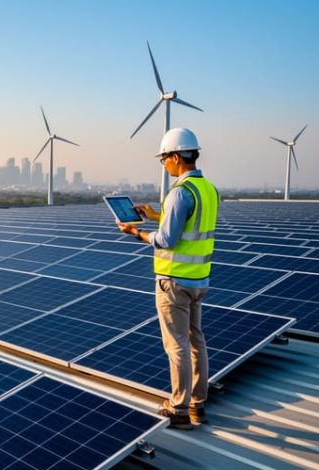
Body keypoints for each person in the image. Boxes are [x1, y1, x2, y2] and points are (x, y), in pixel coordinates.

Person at [117, 127, 218, 430]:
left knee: (176, 346)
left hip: (173, 281)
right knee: (196, 341)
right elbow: (189, 223)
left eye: (164, 160)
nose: (164, 166)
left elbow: (166, 240)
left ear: (176, 157)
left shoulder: (179, 192)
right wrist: (154, 213)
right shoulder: (208, 190)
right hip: (199, 279)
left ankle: (179, 408)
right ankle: (198, 404)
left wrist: (136, 232)